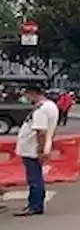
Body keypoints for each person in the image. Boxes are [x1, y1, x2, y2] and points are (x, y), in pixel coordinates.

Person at [13, 84, 59, 217]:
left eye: (26, 94)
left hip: (32, 149)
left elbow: (41, 132)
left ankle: (34, 206)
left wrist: (39, 150)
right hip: (35, 148)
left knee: (34, 179)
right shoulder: (50, 106)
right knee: (36, 177)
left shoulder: (41, 109)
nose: (25, 97)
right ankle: (35, 204)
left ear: (33, 93)